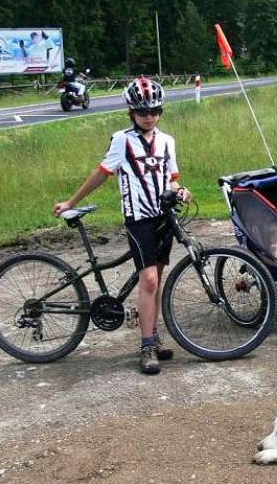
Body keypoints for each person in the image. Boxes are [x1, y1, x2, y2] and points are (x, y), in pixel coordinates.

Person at [53, 77, 191, 375]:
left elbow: (173, 177)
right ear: (131, 113)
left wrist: (181, 190)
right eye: (142, 112)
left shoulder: (168, 141)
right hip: (138, 218)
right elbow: (101, 173)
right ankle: (146, 347)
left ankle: (153, 334)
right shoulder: (122, 140)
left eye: (154, 111)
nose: (149, 116)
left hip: (163, 217)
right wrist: (71, 201)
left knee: (158, 278)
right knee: (150, 281)